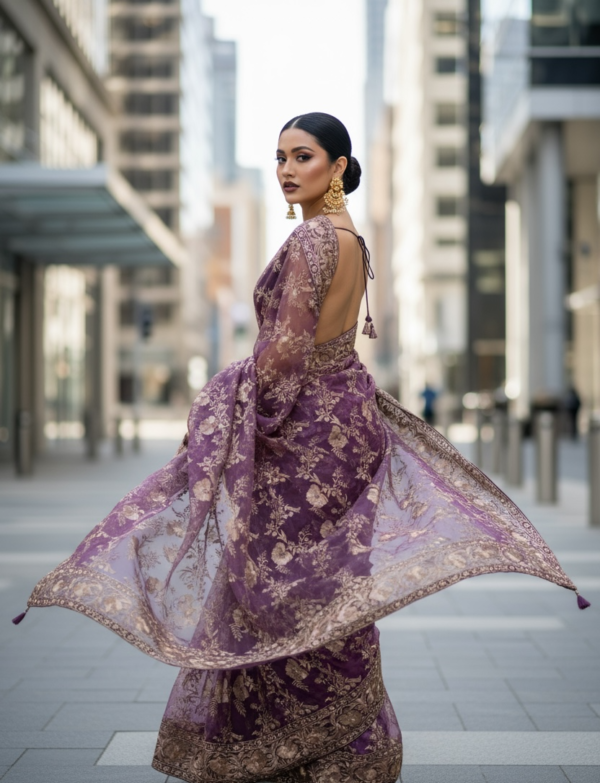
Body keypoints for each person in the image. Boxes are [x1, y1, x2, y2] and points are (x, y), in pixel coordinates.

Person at [16, 113, 588, 783]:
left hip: (305, 441)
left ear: (338, 166)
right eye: (281, 156)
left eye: (304, 156)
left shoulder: (314, 238)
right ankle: (349, 748)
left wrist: (216, 404)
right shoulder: (352, 238)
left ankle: (285, 752)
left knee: (271, 595)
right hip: (347, 425)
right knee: (330, 593)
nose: (287, 169)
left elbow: (284, 359)